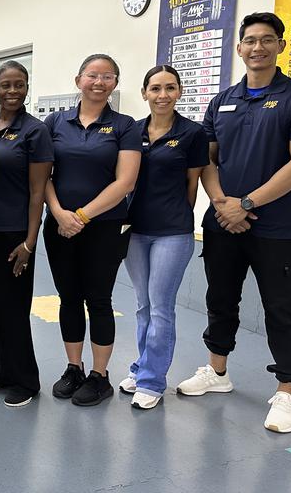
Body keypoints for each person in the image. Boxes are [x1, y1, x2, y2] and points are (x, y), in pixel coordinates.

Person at [176, 12, 291, 433]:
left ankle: (285, 392)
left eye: (267, 39)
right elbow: (207, 159)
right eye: (250, 40)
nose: (257, 47)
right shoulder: (222, 99)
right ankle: (217, 372)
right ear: (239, 48)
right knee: (220, 300)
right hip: (223, 221)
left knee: (281, 309)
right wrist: (224, 203)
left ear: (281, 45)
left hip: (276, 228)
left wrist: (247, 203)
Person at [42, 53, 141, 407]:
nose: (99, 82)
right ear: (78, 79)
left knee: (98, 300)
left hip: (105, 227)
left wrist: (80, 216)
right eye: (92, 75)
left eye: (108, 76)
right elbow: (43, 175)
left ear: (115, 83)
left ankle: (100, 375)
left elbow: (126, 180)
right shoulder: (55, 122)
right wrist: (57, 212)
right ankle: (74, 368)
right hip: (58, 225)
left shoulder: (126, 125)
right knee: (68, 299)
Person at [119, 65, 209, 410]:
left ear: (179, 92)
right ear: (144, 93)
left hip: (172, 231)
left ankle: (153, 381)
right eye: (155, 88)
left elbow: (192, 186)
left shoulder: (193, 134)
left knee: (160, 308)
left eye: (170, 88)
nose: (162, 95)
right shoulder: (132, 131)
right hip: (135, 231)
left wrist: (176, 217)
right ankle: (142, 367)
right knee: (143, 305)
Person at [0, 60, 52, 407]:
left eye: (19, 85)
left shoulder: (35, 131)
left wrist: (30, 243)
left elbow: (38, 192)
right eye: (6, 85)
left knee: (12, 307)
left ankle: (24, 379)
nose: (13, 92)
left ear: (27, 88)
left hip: (14, 233)